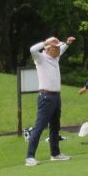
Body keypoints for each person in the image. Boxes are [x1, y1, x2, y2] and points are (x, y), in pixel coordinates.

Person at [25, 36, 76, 166]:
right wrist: (45, 42)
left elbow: (62, 50)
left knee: (55, 127)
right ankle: (30, 157)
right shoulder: (40, 58)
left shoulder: (55, 58)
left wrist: (67, 44)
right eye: (56, 48)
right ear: (49, 49)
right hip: (46, 97)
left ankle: (55, 154)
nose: (59, 50)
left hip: (56, 97)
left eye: (59, 48)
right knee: (40, 127)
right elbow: (32, 49)